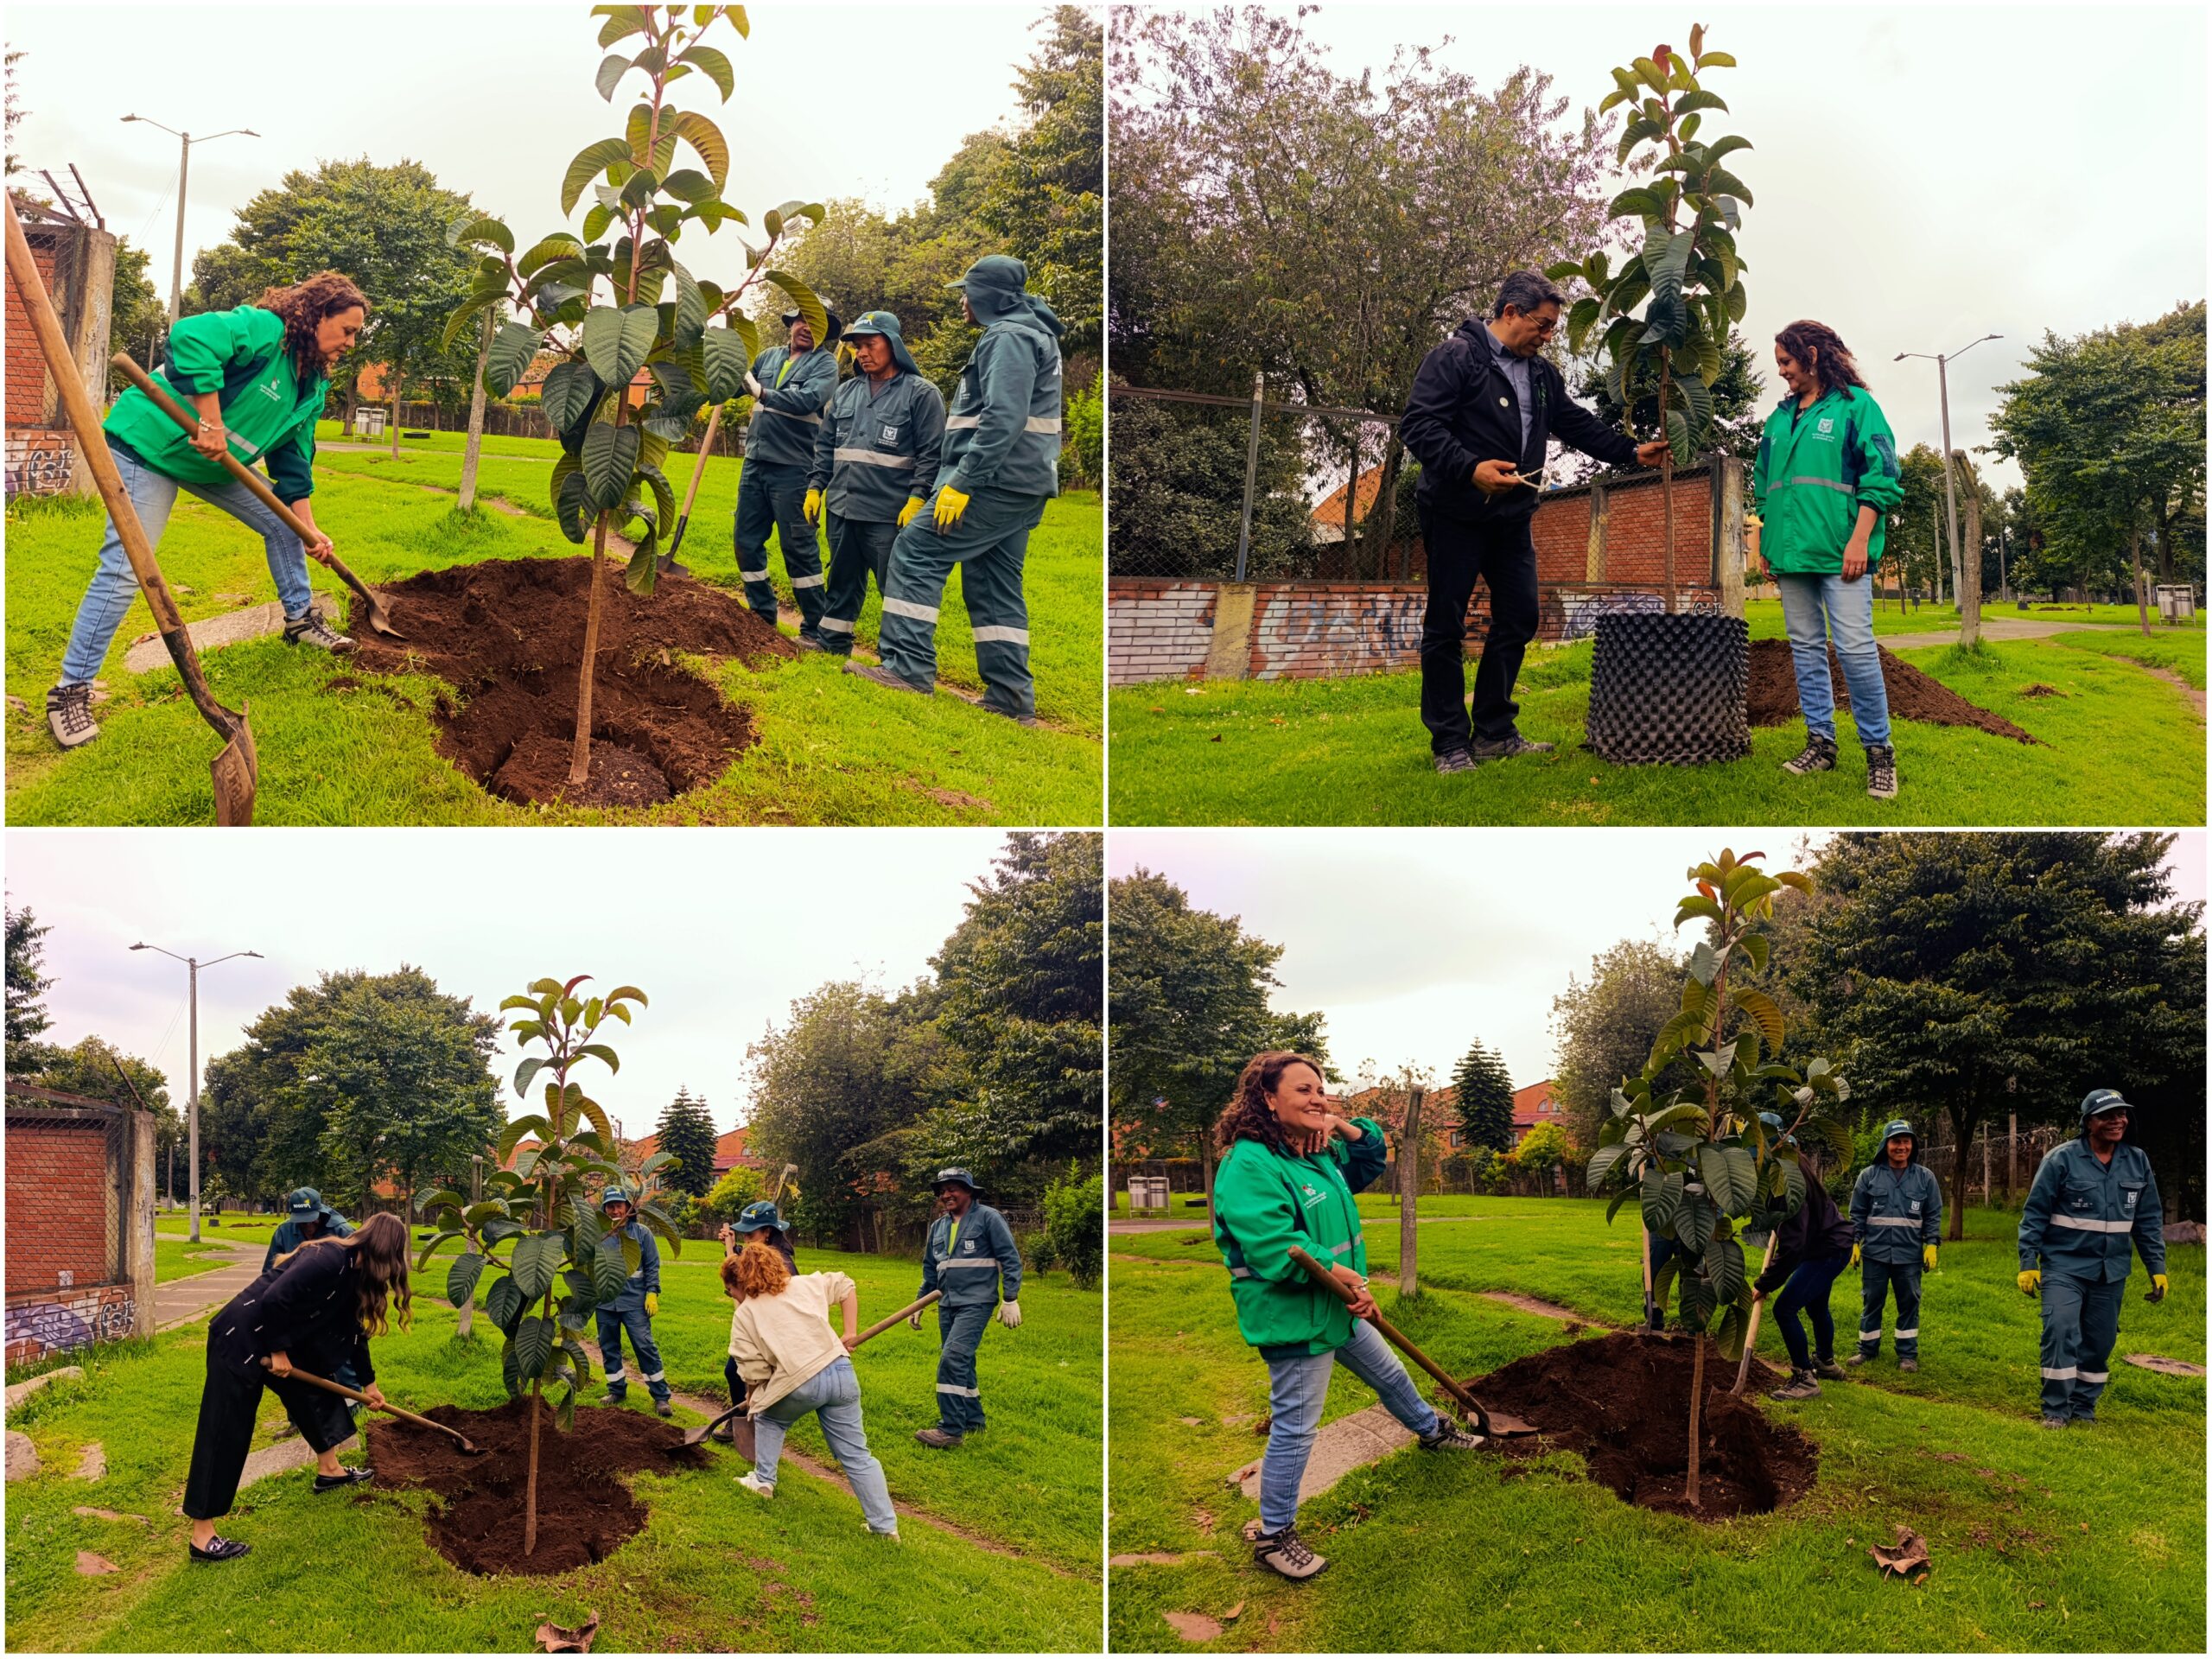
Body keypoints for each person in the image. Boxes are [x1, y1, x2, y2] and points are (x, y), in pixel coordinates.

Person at [47, 272, 368, 751]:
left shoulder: (311, 386)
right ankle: (70, 691)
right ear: (317, 314)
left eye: (356, 334)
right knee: (127, 568)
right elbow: (189, 336)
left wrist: (309, 528)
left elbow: (293, 465)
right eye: (347, 329)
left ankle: (301, 621)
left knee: (285, 524)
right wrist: (211, 422)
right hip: (149, 447)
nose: (351, 342)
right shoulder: (264, 330)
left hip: (211, 465)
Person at [1211, 1051, 1480, 1582]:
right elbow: (1276, 1247)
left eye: (1321, 1090)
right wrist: (1350, 1281)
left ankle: (1432, 1432)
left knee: (1391, 1375)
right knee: (1295, 1427)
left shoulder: (1310, 1154)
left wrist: (1339, 1124)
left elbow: (1369, 1162)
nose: (1317, 1098)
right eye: (1303, 1091)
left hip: (1337, 1303)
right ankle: (1273, 1536)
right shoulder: (1249, 1165)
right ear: (1267, 1098)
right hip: (1297, 1318)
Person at [1398, 270, 1672, 774]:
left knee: (1520, 617)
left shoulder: (1542, 375)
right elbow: (1418, 425)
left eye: (1551, 328)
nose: (1548, 337)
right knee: (1446, 626)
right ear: (1509, 313)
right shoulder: (1456, 358)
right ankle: (1450, 743)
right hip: (1455, 513)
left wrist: (1632, 451)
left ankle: (1495, 732)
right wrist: (1469, 468)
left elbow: (1575, 424)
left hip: (1511, 517)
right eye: (1543, 326)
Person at [847, 254, 1062, 724]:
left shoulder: (1008, 336)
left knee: (915, 550)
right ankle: (1010, 698)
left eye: (967, 291)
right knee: (993, 581)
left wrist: (963, 481)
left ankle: (907, 669)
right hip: (1023, 484)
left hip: (992, 482)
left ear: (990, 295)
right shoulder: (1032, 333)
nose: (962, 300)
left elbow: (1004, 418)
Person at [182, 1210, 409, 1563]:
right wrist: (278, 1350)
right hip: (241, 1339)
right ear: (386, 1251)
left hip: (279, 1341)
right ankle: (202, 1535)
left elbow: (355, 1333)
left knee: (317, 1392)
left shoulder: (354, 1275)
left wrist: (370, 1384)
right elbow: (274, 1299)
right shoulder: (329, 1257)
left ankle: (330, 1470)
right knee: (226, 1428)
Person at [1748, 320, 1907, 799]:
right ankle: (1821, 743)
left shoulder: (1858, 408)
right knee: (1806, 650)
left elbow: (1883, 478)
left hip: (1843, 556)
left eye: (1787, 363)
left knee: (1856, 650)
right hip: (1790, 557)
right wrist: (1767, 546)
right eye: (1779, 364)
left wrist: (1859, 542)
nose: (1782, 373)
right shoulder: (1777, 420)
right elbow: (1764, 486)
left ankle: (1879, 754)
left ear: (1813, 356)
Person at [724, 1236, 899, 1539]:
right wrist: (849, 1331)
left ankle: (763, 1481)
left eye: (730, 1291)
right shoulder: (803, 1284)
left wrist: (754, 1399)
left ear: (741, 1283)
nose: (732, 1297)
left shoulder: (746, 1313)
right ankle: (885, 1528)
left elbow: (753, 1371)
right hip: (841, 1373)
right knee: (857, 1456)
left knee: (768, 1418)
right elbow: (845, 1285)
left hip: (800, 1380)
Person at [2018, 1089, 2167, 1428]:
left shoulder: (2137, 1161)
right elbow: (2035, 1215)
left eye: (2122, 1115)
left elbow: (2147, 1221)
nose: (2117, 1121)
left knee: (2100, 1342)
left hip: (2110, 1272)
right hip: (2064, 1266)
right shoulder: (2061, 1160)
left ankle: (2084, 1407)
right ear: (2088, 1123)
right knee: (2060, 1329)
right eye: (2108, 1116)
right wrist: (2028, 1263)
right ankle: (2056, 1409)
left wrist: (2157, 1269)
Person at [805, 310, 945, 657]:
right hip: (842, 506)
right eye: (857, 347)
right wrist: (815, 487)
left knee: (895, 586)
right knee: (842, 581)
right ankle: (832, 642)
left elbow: (932, 454)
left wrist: (918, 498)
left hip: (889, 512)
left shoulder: (921, 394)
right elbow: (826, 446)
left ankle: (899, 660)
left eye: (870, 344)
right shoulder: (846, 391)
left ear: (893, 345)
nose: (862, 353)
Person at [734, 306, 842, 643]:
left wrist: (762, 392)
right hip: (755, 463)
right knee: (746, 542)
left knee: (798, 547)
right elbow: (737, 384)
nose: (806, 328)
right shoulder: (767, 357)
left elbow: (808, 400)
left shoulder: (825, 365)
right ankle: (761, 615)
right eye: (801, 320)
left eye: (815, 324)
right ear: (791, 325)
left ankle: (815, 628)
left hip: (795, 469)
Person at [911, 1166, 1023, 1448]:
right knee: (964, 1360)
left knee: (952, 1358)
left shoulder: (988, 1219)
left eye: (953, 1189)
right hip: (947, 1303)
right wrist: (920, 1303)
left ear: (969, 1191)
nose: (946, 1195)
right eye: (942, 1191)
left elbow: (1010, 1259)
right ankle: (973, 1419)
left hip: (976, 1302)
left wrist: (1010, 1298)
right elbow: (931, 1269)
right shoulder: (939, 1227)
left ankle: (950, 1430)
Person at [1753, 1134, 1857, 1400]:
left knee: (1785, 1309)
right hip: (1829, 1244)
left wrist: (1764, 1283)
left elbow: (1793, 1247)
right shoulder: (1795, 1168)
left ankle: (1805, 1378)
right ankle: (1825, 1362)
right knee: (1816, 1306)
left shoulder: (1786, 1182)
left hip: (1828, 1251)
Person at [1847, 1119, 1943, 1371]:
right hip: (1875, 1254)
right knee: (1872, 1301)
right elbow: (1856, 1214)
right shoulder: (1868, 1176)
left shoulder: (1925, 1178)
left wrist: (1932, 1244)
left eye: (1906, 1141)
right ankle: (1867, 1350)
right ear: (1885, 1144)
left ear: (1912, 1145)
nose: (1901, 1147)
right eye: (1896, 1141)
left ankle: (1907, 1355)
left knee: (1909, 1303)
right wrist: (1854, 1243)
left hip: (1909, 1255)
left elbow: (1933, 1214)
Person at [711, 1200, 798, 1443]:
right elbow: (743, 1263)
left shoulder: (783, 1264)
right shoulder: (755, 1253)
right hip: (754, 1327)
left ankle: (758, 1423)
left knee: (755, 1377)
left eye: (751, 1235)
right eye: (744, 1235)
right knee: (734, 1371)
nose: (747, 1240)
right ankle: (743, 1419)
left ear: (768, 1232)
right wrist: (730, 1246)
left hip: (774, 1330)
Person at [593, 1186, 671, 1417]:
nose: (615, 1210)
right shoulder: (600, 1234)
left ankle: (661, 1396)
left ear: (629, 1207)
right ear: (604, 1209)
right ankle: (616, 1390)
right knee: (609, 1347)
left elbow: (651, 1266)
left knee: (644, 1346)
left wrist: (652, 1292)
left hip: (635, 1302)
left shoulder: (642, 1233)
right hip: (605, 1303)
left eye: (619, 1205)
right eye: (610, 1206)